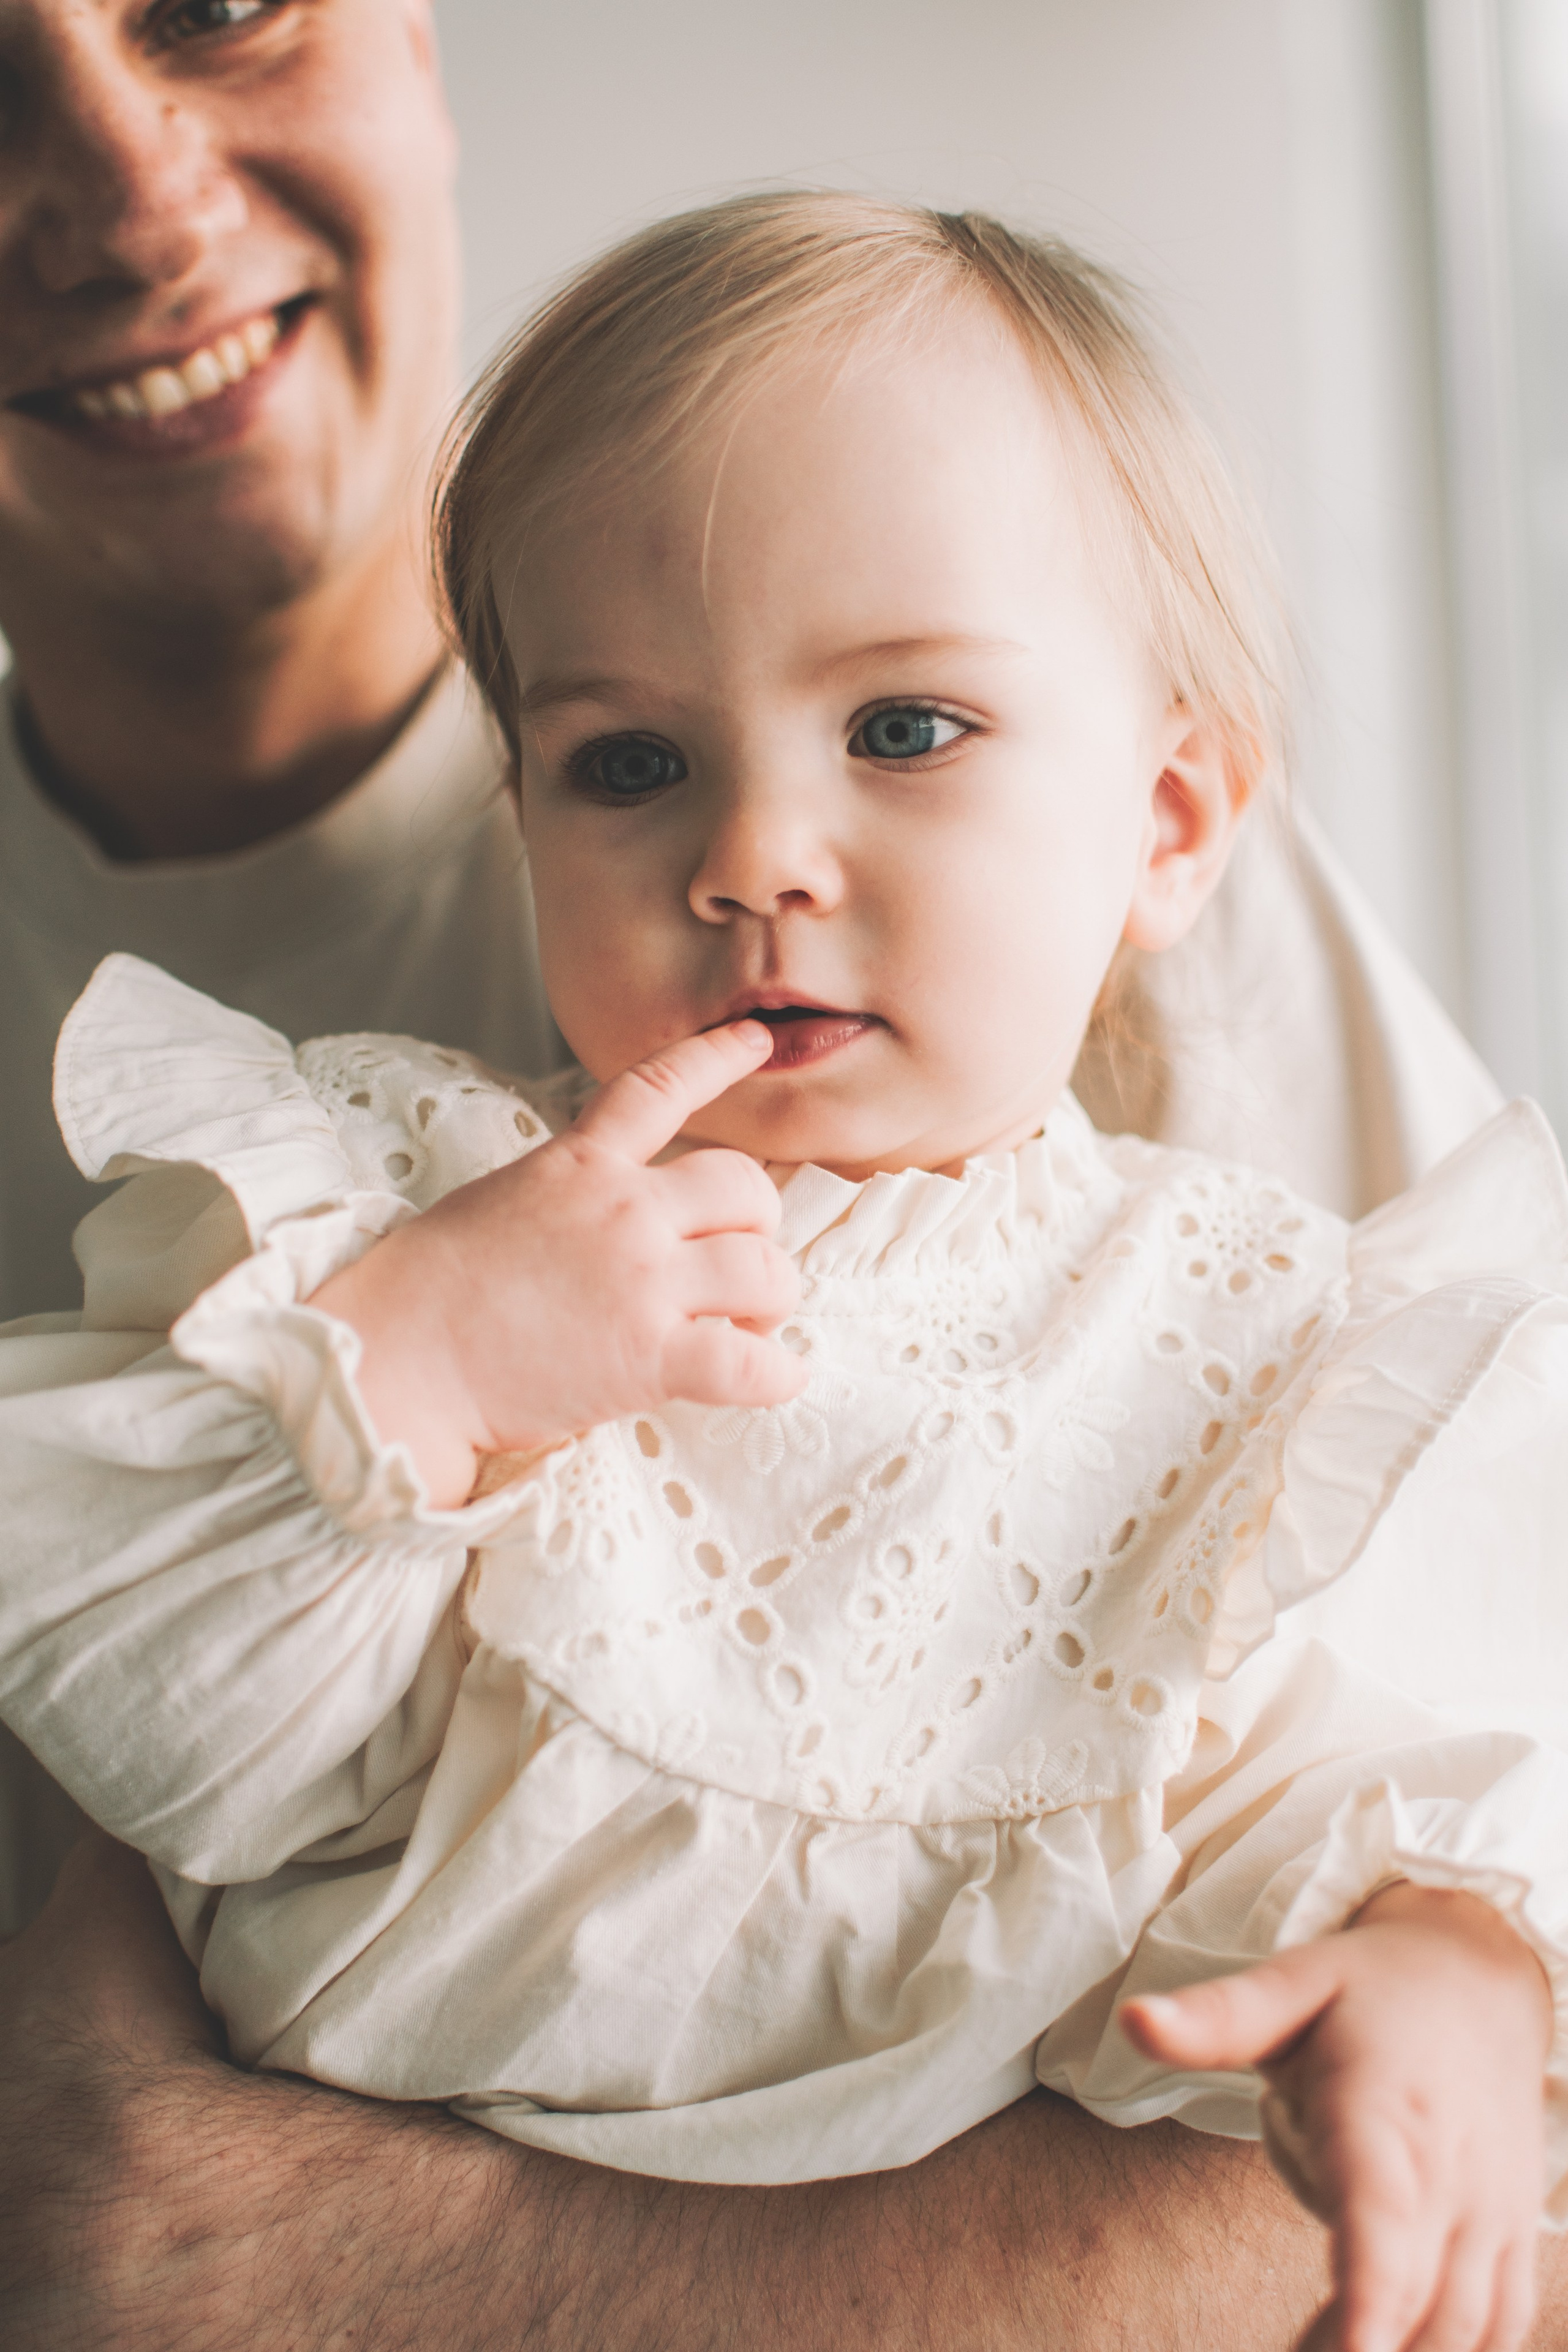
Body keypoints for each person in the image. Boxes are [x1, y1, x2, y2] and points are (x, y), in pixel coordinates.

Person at [0, 5, 1533, 2346]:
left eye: (904, 728)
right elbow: (158, 1709)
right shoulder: (404, 1176)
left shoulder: (1249, 1331)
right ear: (522, 819)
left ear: (1172, 823)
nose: (753, 855)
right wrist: (407, 1369)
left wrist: (1439, 1957)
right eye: (628, 765)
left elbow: (1317, 1781)